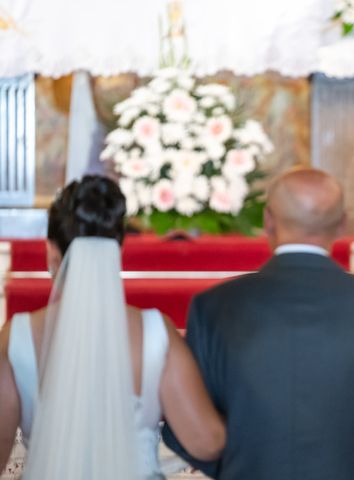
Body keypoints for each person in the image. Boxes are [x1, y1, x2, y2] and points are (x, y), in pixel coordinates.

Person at [163, 167, 354, 480]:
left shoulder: (214, 307)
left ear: (268, 221)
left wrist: (232, 465)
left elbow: (180, 424)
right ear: (341, 225)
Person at [0, 175, 226, 479]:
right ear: (117, 252)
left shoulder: (17, 337)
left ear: (52, 254)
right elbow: (206, 442)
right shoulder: (156, 332)